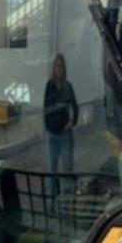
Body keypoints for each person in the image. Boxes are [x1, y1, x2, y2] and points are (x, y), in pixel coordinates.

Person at [44, 54, 78, 188]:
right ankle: (51, 202)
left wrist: (72, 121)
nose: (58, 69)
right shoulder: (49, 85)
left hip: (65, 135)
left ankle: (67, 201)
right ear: (53, 68)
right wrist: (47, 126)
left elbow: (74, 107)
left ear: (64, 69)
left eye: (61, 66)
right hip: (52, 135)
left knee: (68, 169)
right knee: (51, 171)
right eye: (56, 66)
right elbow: (46, 107)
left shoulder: (68, 86)